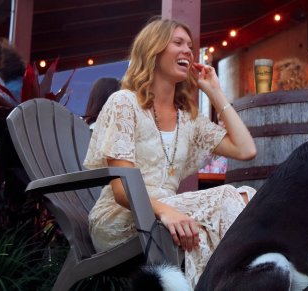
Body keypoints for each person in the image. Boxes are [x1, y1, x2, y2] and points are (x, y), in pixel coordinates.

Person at [84, 17, 257, 287]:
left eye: (190, 45)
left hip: (169, 216)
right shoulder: (124, 103)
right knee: (226, 197)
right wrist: (166, 212)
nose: (188, 50)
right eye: (178, 43)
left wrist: (215, 93)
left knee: (247, 195)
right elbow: (120, 188)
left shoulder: (188, 119)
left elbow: (246, 149)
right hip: (121, 220)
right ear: (153, 50)